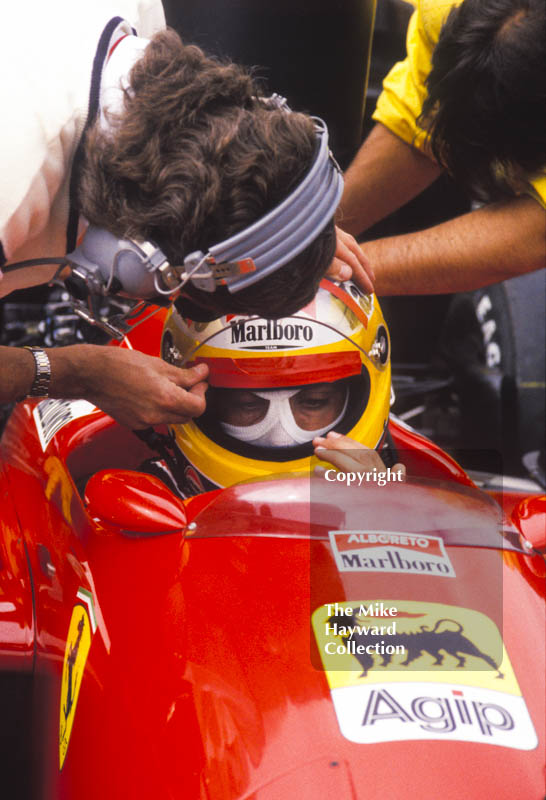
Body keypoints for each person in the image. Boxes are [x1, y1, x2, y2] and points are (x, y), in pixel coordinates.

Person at [0, 0, 371, 429]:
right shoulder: (14, 174)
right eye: (172, 286)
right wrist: (80, 373)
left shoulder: (137, 24)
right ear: (137, 259)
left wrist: (292, 231)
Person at [339, 0, 546, 295]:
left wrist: (343, 268)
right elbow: (417, 123)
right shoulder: (442, 9)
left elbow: (537, 232)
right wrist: (304, 241)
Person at [146, 278, 402, 497]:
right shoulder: (147, 499)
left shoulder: (417, 494)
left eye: (314, 401)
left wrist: (382, 522)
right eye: (246, 404)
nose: (281, 437)